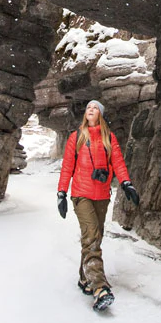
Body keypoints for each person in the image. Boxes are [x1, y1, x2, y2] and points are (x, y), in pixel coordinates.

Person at [56, 100, 140, 311]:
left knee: (95, 237)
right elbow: (67, 167)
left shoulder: (108, 138)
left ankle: (85, 278)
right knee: (92, 236)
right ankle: (99, 287)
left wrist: (126, 183)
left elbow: (118, 162)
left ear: (100, 114)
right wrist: (61, 193)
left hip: (102, 195)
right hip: (81, 195)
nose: (90, 110)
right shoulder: (76, 137)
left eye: (94, 108)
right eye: (88, 108)